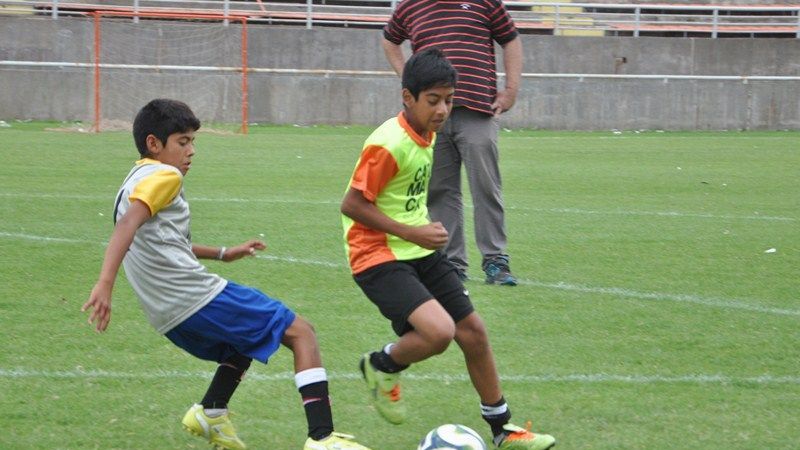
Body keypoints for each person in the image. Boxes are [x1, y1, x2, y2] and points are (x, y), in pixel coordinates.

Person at [82, 99, 370, 450]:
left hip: (165, 313)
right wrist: (105, 283)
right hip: (193, 297)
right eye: (182, 142)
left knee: (243, 343)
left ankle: (211, 412)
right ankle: (322, 438)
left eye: (193, 142)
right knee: (301, 332)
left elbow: (162, 242)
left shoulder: (135, 178)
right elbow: (128, 226)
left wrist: (223, 253)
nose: (191, 151)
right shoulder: (165, 175)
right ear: (154, 144)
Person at [340, 49, 554, 450]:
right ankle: (381, 364)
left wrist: (418, 234)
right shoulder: (388, 143)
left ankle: (503, 429)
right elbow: (352, 205)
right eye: (433, 100)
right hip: (376, 254)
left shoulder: (428, 133)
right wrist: (413, 231)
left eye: (449, 100)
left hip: (416, 248)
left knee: (473, 331)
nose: (442, 110)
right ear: (408, 97)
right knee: (439, 333)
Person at [382, 0, 523, 286]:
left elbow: (511, 40)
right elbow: (389, 40)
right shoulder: (411, 5)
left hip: (477, 110)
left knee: (486, 187)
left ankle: (496, 260)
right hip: (431, 117)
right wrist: (409, 79)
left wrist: (510, 90)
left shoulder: (484, 3)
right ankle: (451, 264)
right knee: (439, 191)